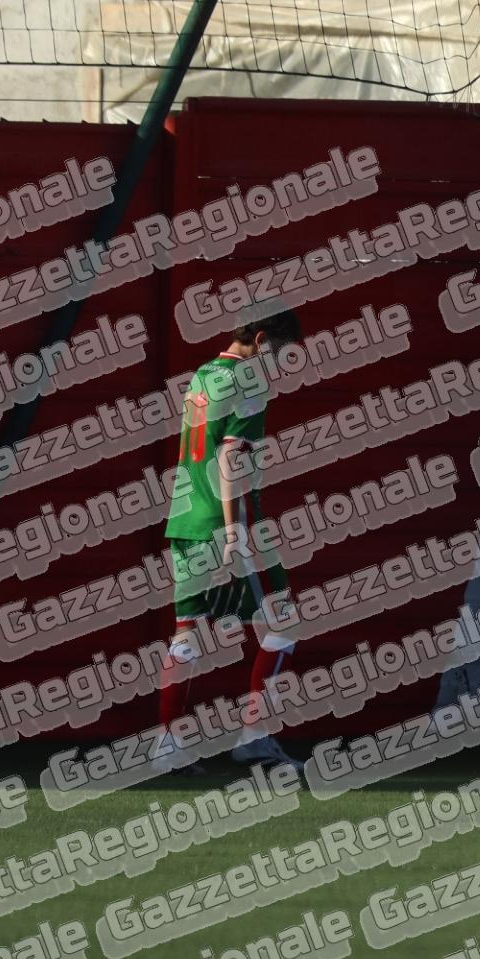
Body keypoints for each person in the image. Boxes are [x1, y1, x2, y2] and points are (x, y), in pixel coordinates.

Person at [151, 303, 304, 774]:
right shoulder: (249, 379)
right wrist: (236, 532)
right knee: (283, 622)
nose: (280, 362)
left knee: (188, 633)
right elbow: (231, 457)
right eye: (280, 351)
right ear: (260, 340)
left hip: (185, 519)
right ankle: (255, 738)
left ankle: (166, 746)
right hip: (228, 524)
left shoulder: (202, 375)